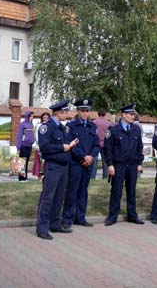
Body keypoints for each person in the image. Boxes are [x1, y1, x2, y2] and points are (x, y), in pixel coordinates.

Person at [36, 100, 79, 240]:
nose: (67, 114)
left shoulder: (62, 128)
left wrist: (69, 146)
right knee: (48, 197)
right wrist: (62, 147)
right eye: (66, 112)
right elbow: (44, 147)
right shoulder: (46, 127)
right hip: (53, 166)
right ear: (59, 112)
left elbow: (65, 144)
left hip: (64, 166)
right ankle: (42, 228)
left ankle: (54, 223)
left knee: (59, 197)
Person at [104, 103, 145, 226]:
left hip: (132, 165)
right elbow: (108, 149)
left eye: (134, 114)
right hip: (119, 165)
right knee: (116, 191)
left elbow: (140, 147)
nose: (133, 116)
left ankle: (132, 215)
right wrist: (110, 164)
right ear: (123, 115)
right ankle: (112, 216)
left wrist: (139, 163)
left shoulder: (136, 129)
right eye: (131, 114)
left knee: (131, 191)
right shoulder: (113, 129)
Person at [62, 99, 100, 228]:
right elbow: (71, 145)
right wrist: (83, 157)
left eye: (87, 111)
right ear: (78, 111)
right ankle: (67, 219)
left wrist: (90, 157)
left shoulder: (92, 126)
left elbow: (96, 144)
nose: (85, 113)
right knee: (72, 191)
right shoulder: (71, 126)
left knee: (83, 191)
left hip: (88, 164)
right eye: (82, 111)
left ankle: (80, 217)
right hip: (76, 164)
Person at [91, 108, 112, 180]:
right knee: (105, 161)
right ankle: (105, 176)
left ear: (98, 114)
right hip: (105, 143)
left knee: (94, 160)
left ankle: (92, 176)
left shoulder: (93, 122)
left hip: (95, 143)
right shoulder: (108, 123)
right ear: (105, 114)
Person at [16, 110, 36, 181]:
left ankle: (25, 177)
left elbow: (32, 134)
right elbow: (19, 136)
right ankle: (21, 178)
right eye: (30, 116)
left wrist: (33, 141)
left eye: (32, 116)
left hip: (29, 146)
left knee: (26, 161)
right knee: (22, 162)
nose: (31, 118)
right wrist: (18, 147)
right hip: (23, 146)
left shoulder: (32, 125)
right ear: (27, 116)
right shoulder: (22, 124)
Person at [32, 112, 50, 181]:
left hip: (48, 147)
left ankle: (45, 176)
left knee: (45, 162)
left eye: (47, 118)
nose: (45, 119)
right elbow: (37, 136)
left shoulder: (50, 126)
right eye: (44, 118)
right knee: (39, 162)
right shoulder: (39, 125)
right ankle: (39, 176)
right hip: (40, 147)